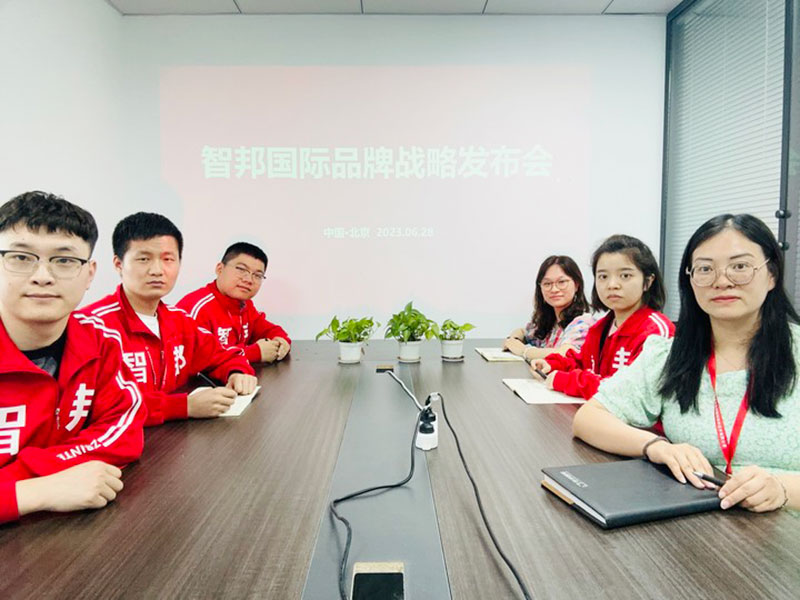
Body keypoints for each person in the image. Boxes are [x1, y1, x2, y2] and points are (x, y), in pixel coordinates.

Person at [573, 214, 799, 512]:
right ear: (690, 280)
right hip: (693, 524)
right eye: (705, 269)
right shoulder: (672, 355)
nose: (722, 281)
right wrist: (655, 447)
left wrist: (782, 489)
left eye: (740, 267)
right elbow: (589, 418)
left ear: (771, 274)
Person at [0, 191, 145, 524]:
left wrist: (33, 473)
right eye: (21, 257)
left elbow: (123, 431)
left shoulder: (99, 342)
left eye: (64, 260)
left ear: (89, 274)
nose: (43, 275)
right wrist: (34, 491)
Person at [79, 213, 257, 427]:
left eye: (168, 259)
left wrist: (237, 372)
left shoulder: (179, 320)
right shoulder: (91, 326)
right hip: (118, 444)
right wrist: (183, 406)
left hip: (173, 440)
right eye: (144, 259)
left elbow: (222, 355)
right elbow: (97, 406)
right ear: (119, 264)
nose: (157, 270)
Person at [531, 235, 674, 398]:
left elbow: (631, 391)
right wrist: (552, 364)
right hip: (593, 410)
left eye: (625, 275)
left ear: (648, 281)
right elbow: (581, 361)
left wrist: (567, 381)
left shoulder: (657, 333)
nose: (612, 285)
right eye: (603, 276)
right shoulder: (601, 328)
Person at [177, 242, 290, 364]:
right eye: (241, 270)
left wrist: (281, 341)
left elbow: (268, 329)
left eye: (257, 275)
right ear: (220, 269)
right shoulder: (195, 308)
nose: (248, 280)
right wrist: (254, 353)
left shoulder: (244, 304)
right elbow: (195, 359)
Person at [503, 255, 595, 361]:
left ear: (576, 285)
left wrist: (524, 351)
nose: (554, 289)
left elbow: (565, 353)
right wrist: (513, 339)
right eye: (547, 283)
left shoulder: (584, 322)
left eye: (562, 282)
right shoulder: (550, 321)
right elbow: (524, 332)